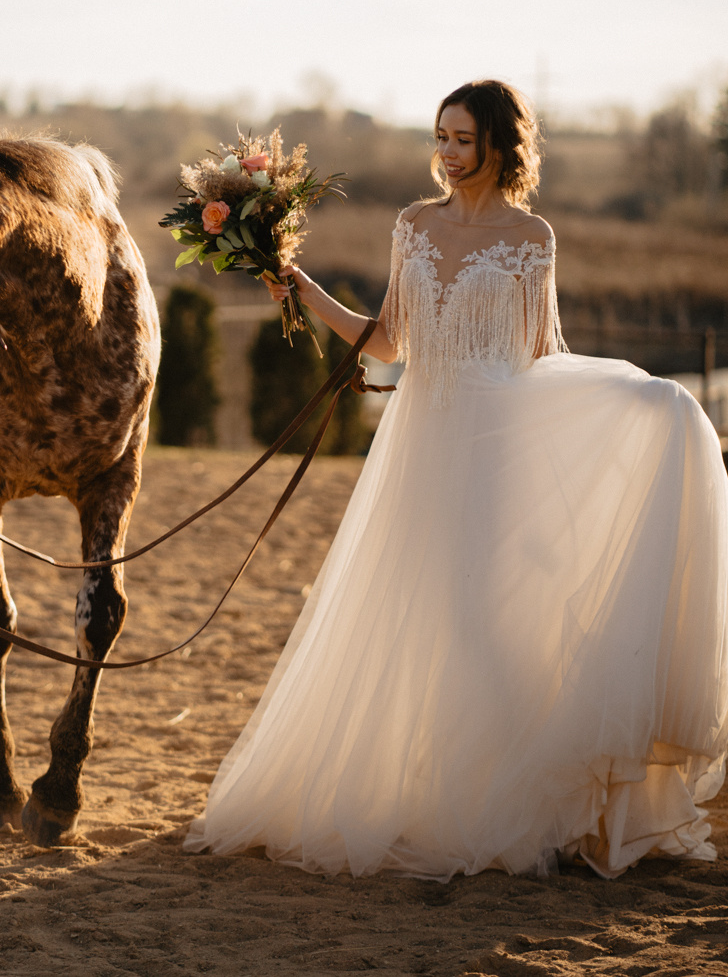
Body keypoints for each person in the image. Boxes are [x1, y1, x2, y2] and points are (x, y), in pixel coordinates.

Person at [184, 79, 728, 880]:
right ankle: (437, 790)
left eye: (462, 139)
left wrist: (622, 408)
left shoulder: (531, 237)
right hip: (419, 443)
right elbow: (388, 341)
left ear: (500, 146)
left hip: (494, 446)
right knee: (418, 612)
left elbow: (544, 352)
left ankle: (541, 791)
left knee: (483, 618)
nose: (445, 153)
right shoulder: (413, 226)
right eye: (439, 136)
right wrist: (297, 285)